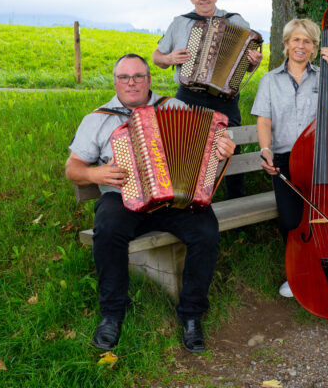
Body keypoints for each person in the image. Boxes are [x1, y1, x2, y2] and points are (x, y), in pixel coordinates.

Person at [65, 53, 236, 353]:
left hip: (175, 198)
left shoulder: (174, 107)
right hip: (121, 198)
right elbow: (73, 169)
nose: (131, 83)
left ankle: (192, 315)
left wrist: (223, 149)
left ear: (149, 79)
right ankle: (112, 313)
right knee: (106, 230)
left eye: (138, 77)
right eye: (124, 78)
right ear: (115, 81)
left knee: (206, 232)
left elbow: (208, 150)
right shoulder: (98, 119)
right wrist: (95, 172)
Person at [250, 18, 328, 298]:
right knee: (291, 221)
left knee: (324, 216)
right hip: (285, 159)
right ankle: (299, 274)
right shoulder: (270, 80)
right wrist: (266, 151)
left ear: (314, 47)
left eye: (307, 41)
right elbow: (263, 120)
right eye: (296, 40)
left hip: (321, 158)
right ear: (286, 44)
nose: (301, 45)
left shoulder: (323, 76)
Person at [152, 0, 262, 199]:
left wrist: (254, 63)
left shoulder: (236, 21)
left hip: (225, 97)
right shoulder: (180, 22)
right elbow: (157, 57)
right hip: (188, 94)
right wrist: (170, 58)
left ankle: (236, 198)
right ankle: (185, 195)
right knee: (185, 143)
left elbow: (246, 67)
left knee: (231, 141)